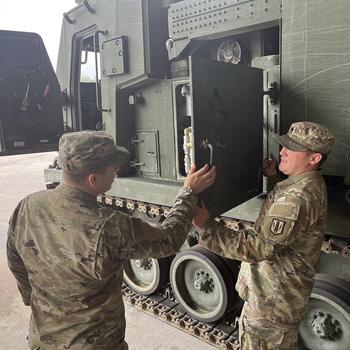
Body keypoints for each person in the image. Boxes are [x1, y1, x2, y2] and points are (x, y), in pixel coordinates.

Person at [7, 130, 216, 350]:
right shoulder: (109, 226)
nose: (117, 170)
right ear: (93, 179)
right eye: (112, 166)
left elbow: (15, 259)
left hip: (42, 339)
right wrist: (188, 192)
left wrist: (34, 301)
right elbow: (169, 239)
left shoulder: (28, 205)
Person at [193, 121, 334, 350]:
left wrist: (206, 226)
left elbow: (255, 248)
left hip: (270, 308)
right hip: (281, 299)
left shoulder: (296, 198)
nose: (282, 152)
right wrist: (274, 176)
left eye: (292, 148)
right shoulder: (310, 184)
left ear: (314, 158)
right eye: (284, 146)